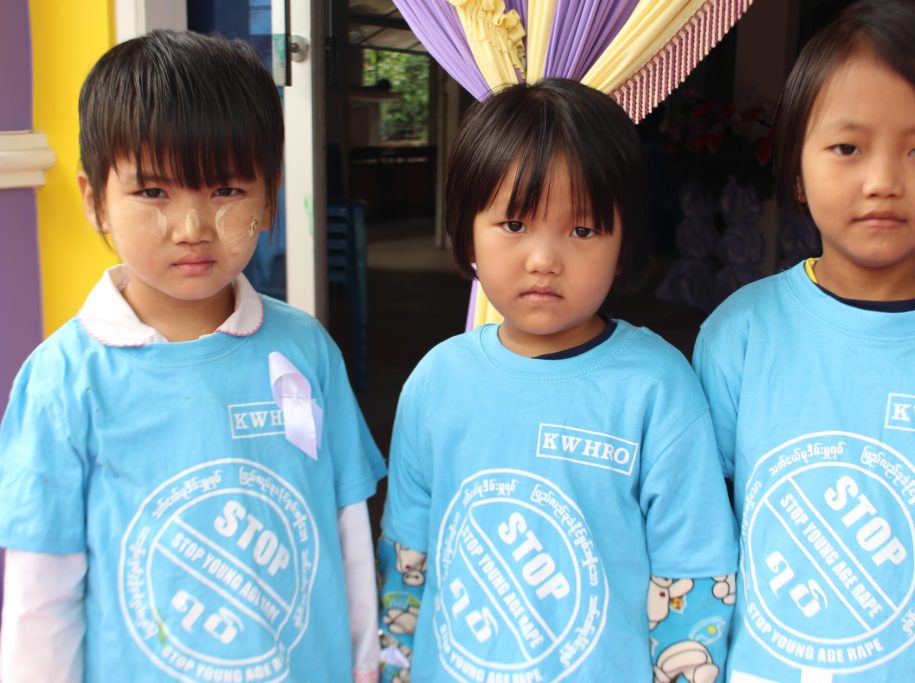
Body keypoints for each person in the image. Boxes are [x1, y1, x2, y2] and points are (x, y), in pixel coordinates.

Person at [0, 30, 385, 682]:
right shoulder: (63, 381)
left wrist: (366, 665)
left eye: (226, 190)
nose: (192, 227)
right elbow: (43, 594)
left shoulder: (305, 351)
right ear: (94, 198)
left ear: (269, 197)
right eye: (153, 193)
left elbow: (345, 529)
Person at [692, 1, 915, 681]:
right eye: (847, 147)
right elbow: (699, 533)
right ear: (794, 172)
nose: (883, 181)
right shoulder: (739, 333)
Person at [376, 78, 738, 683]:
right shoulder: (437, 380)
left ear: (625, 244)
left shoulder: (656, 389)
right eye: (514, 225)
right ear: (466, 231)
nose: (543, 258)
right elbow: (407, 558)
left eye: (582, 229)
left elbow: (693, 577)